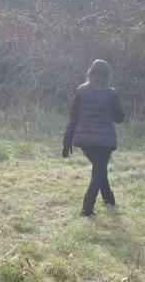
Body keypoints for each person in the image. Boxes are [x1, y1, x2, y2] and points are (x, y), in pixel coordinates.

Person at [62, 59, 124, 217]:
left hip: (85, 141)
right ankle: (86, 209)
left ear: (90, 73)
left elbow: (73, 118)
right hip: (105, 141)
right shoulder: (111, 93)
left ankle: (109, 200)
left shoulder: (81, 91)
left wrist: (66, 141)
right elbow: (119, 118)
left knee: (100, 169)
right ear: (107, 75)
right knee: (98, 171)